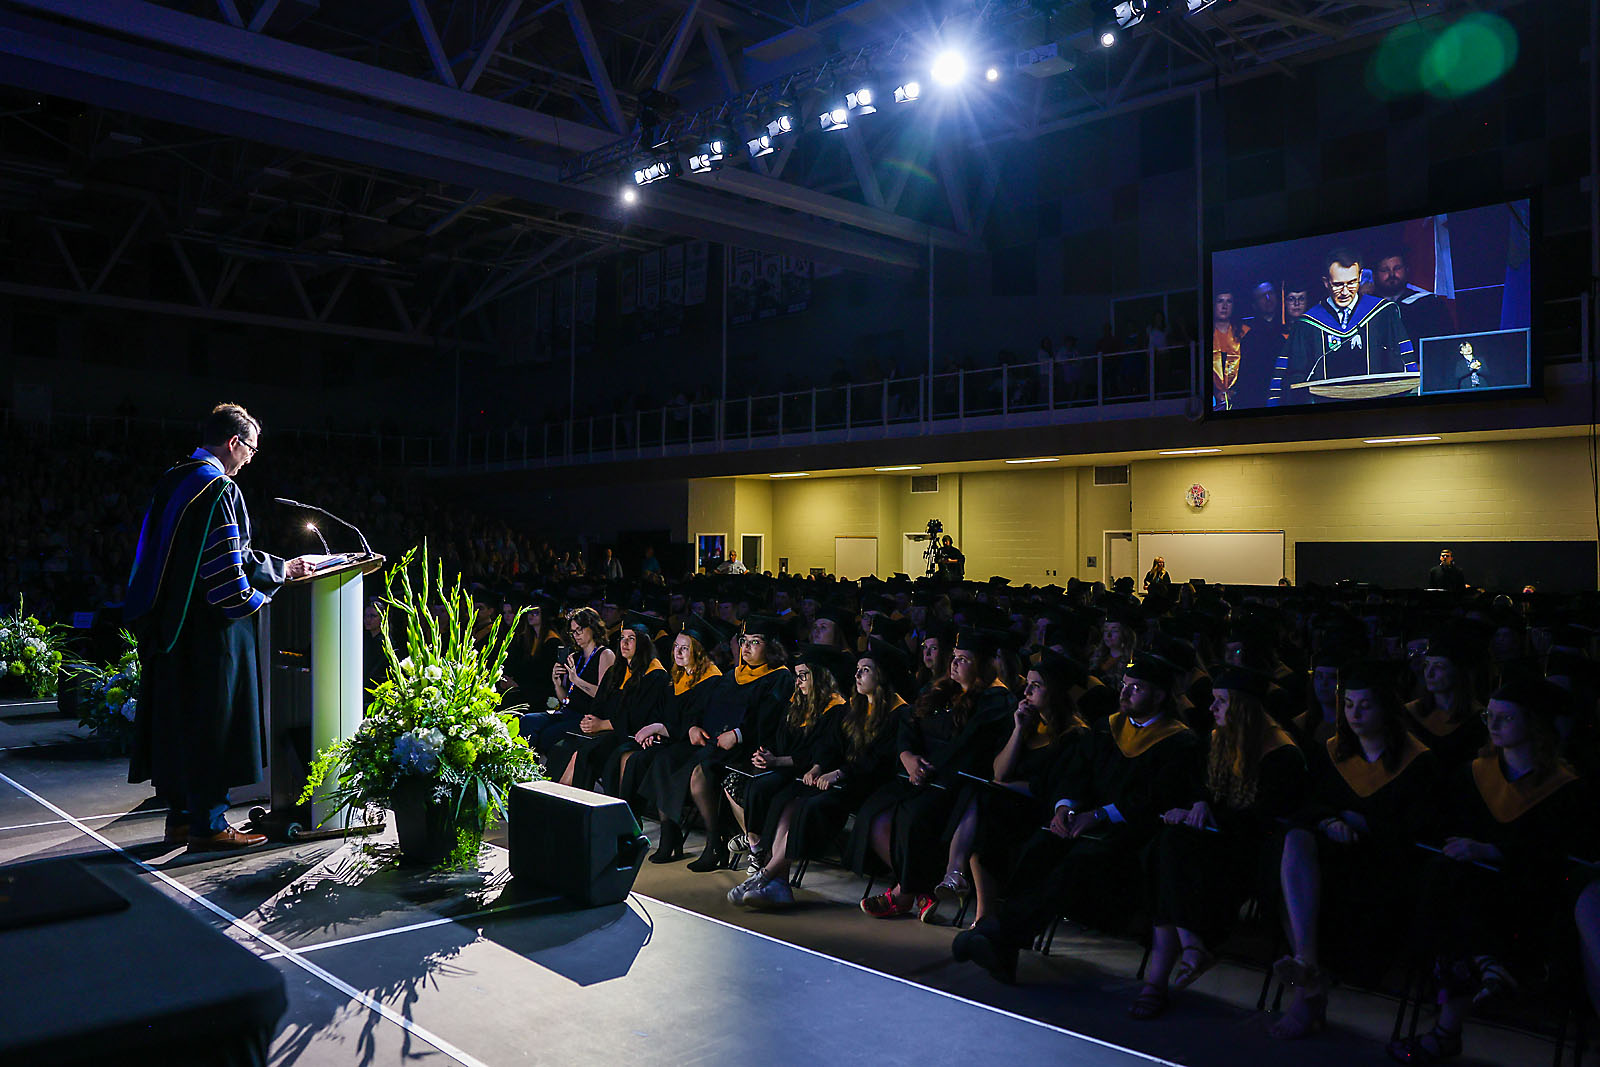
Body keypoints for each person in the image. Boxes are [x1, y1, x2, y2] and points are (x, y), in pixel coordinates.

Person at [125, 403, 317, 851]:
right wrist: (278, 576)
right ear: (233, 443)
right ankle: (209, 825)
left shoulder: (175, 479)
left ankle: (180, 819)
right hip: (210, 635)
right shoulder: (217, 489)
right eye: (250, 448)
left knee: (182, 723)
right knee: (213, 722)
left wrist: (273, 568)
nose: (251, 457)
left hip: (171, 630)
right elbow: (228, 571)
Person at [952, 652, 1203, 984]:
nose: (1124, 695)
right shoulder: (1107, 728)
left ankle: (1000, 936)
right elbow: (1076, 776)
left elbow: (1153, 798)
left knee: (1077, 864)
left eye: (1136, 689)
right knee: (1039, 847)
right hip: (1084, 821)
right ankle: (1004, 945)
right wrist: (1064, 808)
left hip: (1128, 834)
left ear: (1159, 695)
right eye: (1124, 686)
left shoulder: (1179, 742)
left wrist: (1099, 815)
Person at [1390, 677, 1589, 1063]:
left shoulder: (1566, 789)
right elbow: (1440, 828)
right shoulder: (1473, 775)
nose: (1493, 726)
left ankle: (1453, 1020)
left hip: (1528, 906)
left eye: (1505, 718)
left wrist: (1494, 851)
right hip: (1469, 899)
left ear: (1534, 724)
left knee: (1454, 882)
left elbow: (1565, 857)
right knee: (1445, 871)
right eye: (1489, 717)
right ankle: (1485, 967)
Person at [1270, 664, 1440, 1040]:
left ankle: (1307, 989)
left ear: (1386, 710)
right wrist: (1331, 821)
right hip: (1332, 857)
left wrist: (1363, 825)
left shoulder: (1418, 762)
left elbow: (1422, 833)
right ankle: (1309, 968)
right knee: (1294, 840)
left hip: (1384, 866)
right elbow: (1309, 803)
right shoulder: (1333, 751)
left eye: (1365, 706)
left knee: (1304, 887)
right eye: (1348, 705)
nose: (1354, 715)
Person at [1133, 667, 1307, 1019]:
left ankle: (1159, 978)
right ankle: (1190, 949)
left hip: (1253, 853)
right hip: (1212, 842)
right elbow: (1204, 789)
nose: (1211, 709)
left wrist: (1208, 818)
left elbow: (1265, 818)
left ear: (1243, 707)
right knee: (1168, 846)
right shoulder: (1219, 738)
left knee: (1171, 852)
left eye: (1221, 702)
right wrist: (1198, 805)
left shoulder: (1282, 753)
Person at [851, 630, 1012, 919]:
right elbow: (908, 724)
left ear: (982, 666)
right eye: (954, 658)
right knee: (873, 816)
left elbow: (968, 747)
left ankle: (903, 894)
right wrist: (908, 757)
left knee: (911, 818)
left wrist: (925, 769)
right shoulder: (939, 689)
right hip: (917, 774)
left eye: (964, 659)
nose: (955, 664)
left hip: (953, 782)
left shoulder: (995, 700)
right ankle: (920, 892)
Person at [642, 615, 793, 871]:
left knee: (700, 773)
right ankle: (670, 833)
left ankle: (715, 842)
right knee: (664, 759)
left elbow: (770, 720)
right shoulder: (734, 674)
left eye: (755, 642)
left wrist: (738, 734)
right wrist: (693, 727)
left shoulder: (779, 678)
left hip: (749, 749)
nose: (746, 647)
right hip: (716, 742)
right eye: (744, 641)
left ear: (770, 647)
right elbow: (707, 708)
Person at [1282, 248, 1416, 403]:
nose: (1345, 291)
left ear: (1360, 276)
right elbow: (1295, 377)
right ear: (1326, 282)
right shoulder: (1308, 325)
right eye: (1338, 285)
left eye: (1352, 283)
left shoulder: (1383, 313)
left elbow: (1404, 364)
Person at [1210, 290, 1249, 410]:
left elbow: (1249, 369)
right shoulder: (1204, 335)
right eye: (1220, 301)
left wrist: (1235, 391)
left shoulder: (1245, 333)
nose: (1224, 306)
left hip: (1239, 398)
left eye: (1229, 301)